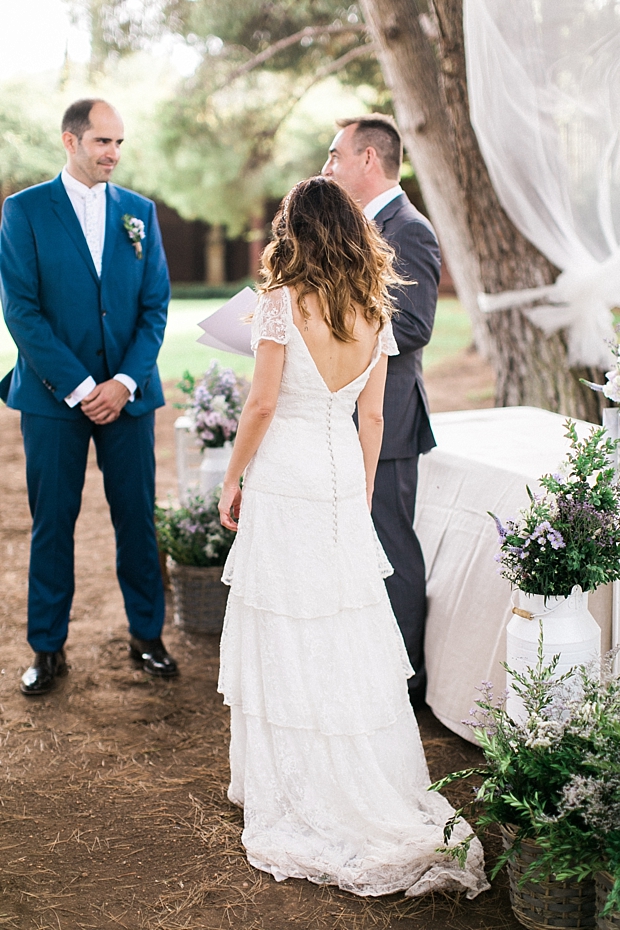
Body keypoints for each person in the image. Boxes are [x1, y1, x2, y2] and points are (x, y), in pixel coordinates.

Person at [216, 177, 488, 897]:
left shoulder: (279, 303)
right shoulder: (374, 309)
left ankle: (295, 782)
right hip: (339, 477)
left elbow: (264, 403)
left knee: (286, 623)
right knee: (340, 622)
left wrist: (231, 478)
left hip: (285, 478)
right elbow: (372, 419)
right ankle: (354, 772)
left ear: (295, 232)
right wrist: (363, 488)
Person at [0, 98, 178, 696]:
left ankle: (147, 635)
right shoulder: (23, 211)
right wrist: (81, 388)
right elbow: (20, 310)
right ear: (69, 142)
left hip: (129, 396)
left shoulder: (139, 213)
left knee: (137, 518)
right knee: (53, 522)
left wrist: (123, 383)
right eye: (103, 141)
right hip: (54, 401)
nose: (114, 153)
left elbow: (155, 306)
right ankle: (47, 648)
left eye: (120, 143)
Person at [322, 114, 440, 708]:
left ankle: (406, 684)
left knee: (392, 545)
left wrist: (335, 325)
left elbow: (415, 326)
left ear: (369, 159)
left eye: (337, 156)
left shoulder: (408, 229)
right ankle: (366, 666)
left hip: (388, 419)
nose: (330, 167)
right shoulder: (360, 227)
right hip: (346, 410)